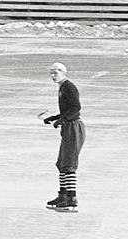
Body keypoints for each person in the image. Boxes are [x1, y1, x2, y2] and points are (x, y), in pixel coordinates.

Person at [43, 62, 85, 212]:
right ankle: (63, 194)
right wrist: (54, 118)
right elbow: (68, 110)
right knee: (61, 162)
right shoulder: (63, 87)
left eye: (55, 73)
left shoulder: (69, 86)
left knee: (69, 162)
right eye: (51, 73)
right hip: (68, 126)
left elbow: (75, 108)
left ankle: (72, 198)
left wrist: (63, 120)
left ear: (63, 72)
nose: (53, 76)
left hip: (74, 127)